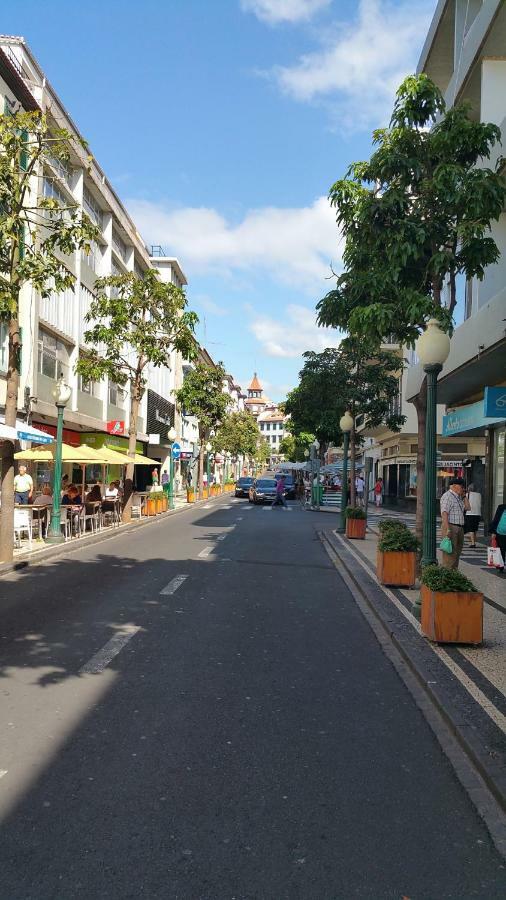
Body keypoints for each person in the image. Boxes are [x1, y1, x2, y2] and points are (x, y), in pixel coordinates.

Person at [440, 477, 469, 570]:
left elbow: (468, 508)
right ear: (454, 486)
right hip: (451, 526)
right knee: (450, 554)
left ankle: (453, 575)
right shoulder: (447, 496)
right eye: (462, 486)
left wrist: (464, 496)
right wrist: (447, 528)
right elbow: (444, 513)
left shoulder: (458, 497)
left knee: (457, 553)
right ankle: (447, 575)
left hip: (459, 527)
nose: (463, 488)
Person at [489, 502, 506, 573]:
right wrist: (493, 532)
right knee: (501, 550)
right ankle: (501, 567)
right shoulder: (501, 507)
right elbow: (496, 519)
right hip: (500, 533)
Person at [464, 483, 482, 549]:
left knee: (471, 529)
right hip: (478, 513)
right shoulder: (479, 495)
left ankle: (473, 543)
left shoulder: (467, 495)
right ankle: (474, 541)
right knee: (475, 528)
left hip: (470, 513)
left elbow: (465, 503)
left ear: (469, 488)